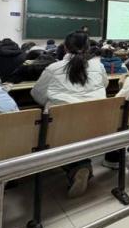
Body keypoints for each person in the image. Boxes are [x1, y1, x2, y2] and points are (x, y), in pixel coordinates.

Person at [31, 31, 108, 198]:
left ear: (65, 47)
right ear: (88, 47)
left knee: (61, 130)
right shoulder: (99, 66)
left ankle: (77, 167)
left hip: (61, 127)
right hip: (96, 124)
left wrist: (52, 103)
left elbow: (36, 93)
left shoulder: (53, 68)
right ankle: (81, 166)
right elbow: (105, 85)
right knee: (79, 130)